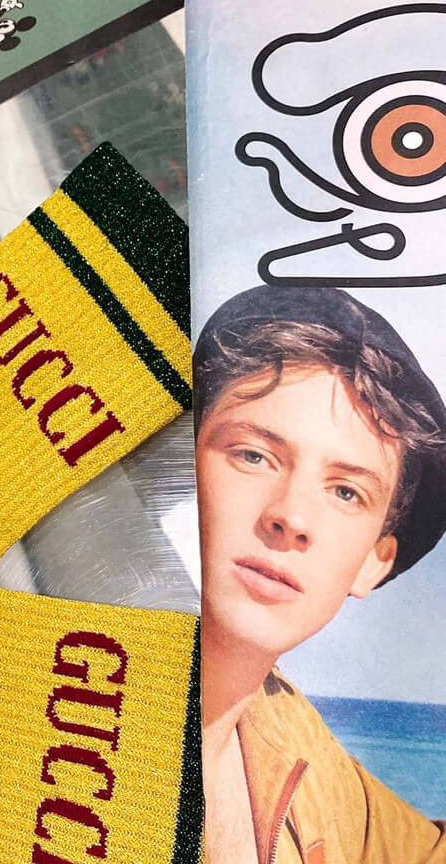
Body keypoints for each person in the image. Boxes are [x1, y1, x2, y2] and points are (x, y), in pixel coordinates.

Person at [194, 285, 446, 863]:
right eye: (253, 455)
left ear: (373, 561)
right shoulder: (52, 700)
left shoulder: (282, 724)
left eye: (345, 492)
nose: (292, 518)